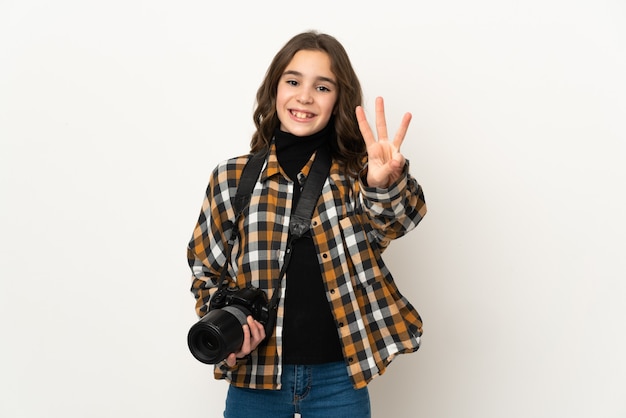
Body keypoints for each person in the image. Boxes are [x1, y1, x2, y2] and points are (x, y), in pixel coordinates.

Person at [187, 30, 427, 418]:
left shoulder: (356, 176)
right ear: (274, 89)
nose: (305, 96)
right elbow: (205, 270)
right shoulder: (233, 177)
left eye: (323, 87)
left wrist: (384, 184)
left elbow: (396, 222)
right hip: (256, 378)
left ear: (338, 101)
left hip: (338, 378)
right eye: (294, 81)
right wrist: (230, 334)